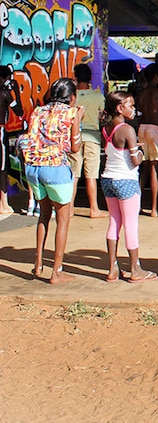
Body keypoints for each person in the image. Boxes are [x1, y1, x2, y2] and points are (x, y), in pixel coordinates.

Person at [23, 78, 85, 284]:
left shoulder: (38, 111)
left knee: (43, 216)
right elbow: (75, 148)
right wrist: (78, 119)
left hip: (33, 167)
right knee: (63, 219)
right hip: (56, 168)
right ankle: (56, 271)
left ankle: (38, 264)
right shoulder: (72, 113)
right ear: (72, 97)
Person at [101, 90, 157, 283]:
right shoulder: (127, 129)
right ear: (120, 108)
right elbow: (135, 161)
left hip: (108, 178)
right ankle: (135, 269)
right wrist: (140, 151)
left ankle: (111, 268)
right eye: (130, 105)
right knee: (131, 224)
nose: (133, 109)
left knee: (114, 222)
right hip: (126, 180)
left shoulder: (107, 127)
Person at [67, 63, 107, 218]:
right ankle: (94, 209)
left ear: (75, 77)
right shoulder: (98, 96)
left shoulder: (72, 96)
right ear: (90, 77)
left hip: (75, 137)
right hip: (93, 138)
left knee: (74, 175)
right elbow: (103, 117)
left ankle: (69, 208)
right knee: (91, 175)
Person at [137, 64, 158, 217]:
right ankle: (154, 208)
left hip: (142, 129)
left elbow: (138, 114)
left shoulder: (141, 93)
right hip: (156, 129)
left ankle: (137, 204)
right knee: (154, 169)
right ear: (156, 77)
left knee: (143, 168)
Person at [0, 65, 23, 214]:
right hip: (0, 131)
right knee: (2, 167)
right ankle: (3, 203)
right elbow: (19, 111)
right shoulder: (5, 94)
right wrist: (15, 92)